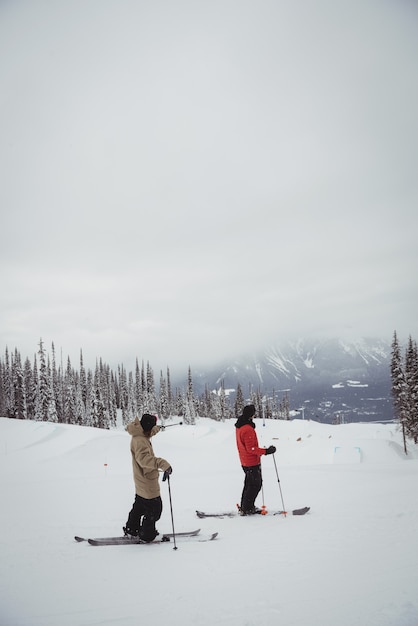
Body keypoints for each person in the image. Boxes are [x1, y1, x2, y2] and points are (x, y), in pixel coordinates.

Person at [123, 413, 172, 542]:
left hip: (141, 480)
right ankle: (147, 534)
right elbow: (144, 460)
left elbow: (148, 432)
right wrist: (163, 464)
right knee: (155, 509)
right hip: (147, 481)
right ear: (147, 427)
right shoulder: (140, 442)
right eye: (152, 428)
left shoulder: (139, 433)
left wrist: (158, 428)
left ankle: (131, 529)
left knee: (139, 505)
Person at [235, 404, 276, 515]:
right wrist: (266, 451)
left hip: (245, 461)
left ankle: (245, 506)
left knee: (249, 484)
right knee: (255, 485)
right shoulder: (248, 429)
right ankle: (247, 508)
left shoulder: (240, 426)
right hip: (251, 462)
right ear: (251, 415)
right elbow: (251, 449)